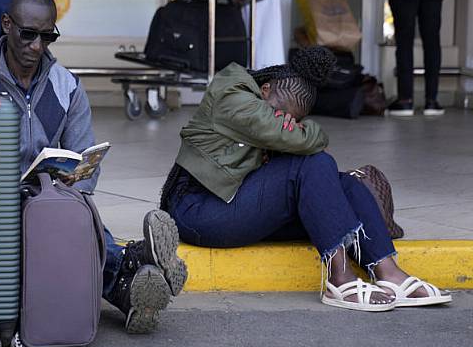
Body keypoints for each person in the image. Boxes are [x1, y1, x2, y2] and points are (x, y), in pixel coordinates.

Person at [0, 0, 187, 333]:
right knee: (57, 231)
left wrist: (76, 180)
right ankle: (134, 267)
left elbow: (84, 154)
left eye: (48, 37)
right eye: (28, 34)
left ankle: (133, 286)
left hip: (48, 199)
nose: (36, 46)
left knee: (75, 217)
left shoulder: (68, 87)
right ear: (6, 25)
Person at [160, 46, 452, 311]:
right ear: (264, 89)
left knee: (344, 183)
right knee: (312, 164)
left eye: (291, 119)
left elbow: (302, 139)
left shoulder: (262, 105)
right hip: (198, 212)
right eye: (279, 112)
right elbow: (309, 140)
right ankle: (339, 280)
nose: (282, 120)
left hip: (234, 202)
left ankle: (388, 272)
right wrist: (298, 131)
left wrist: (297, 131)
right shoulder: (232, 95)